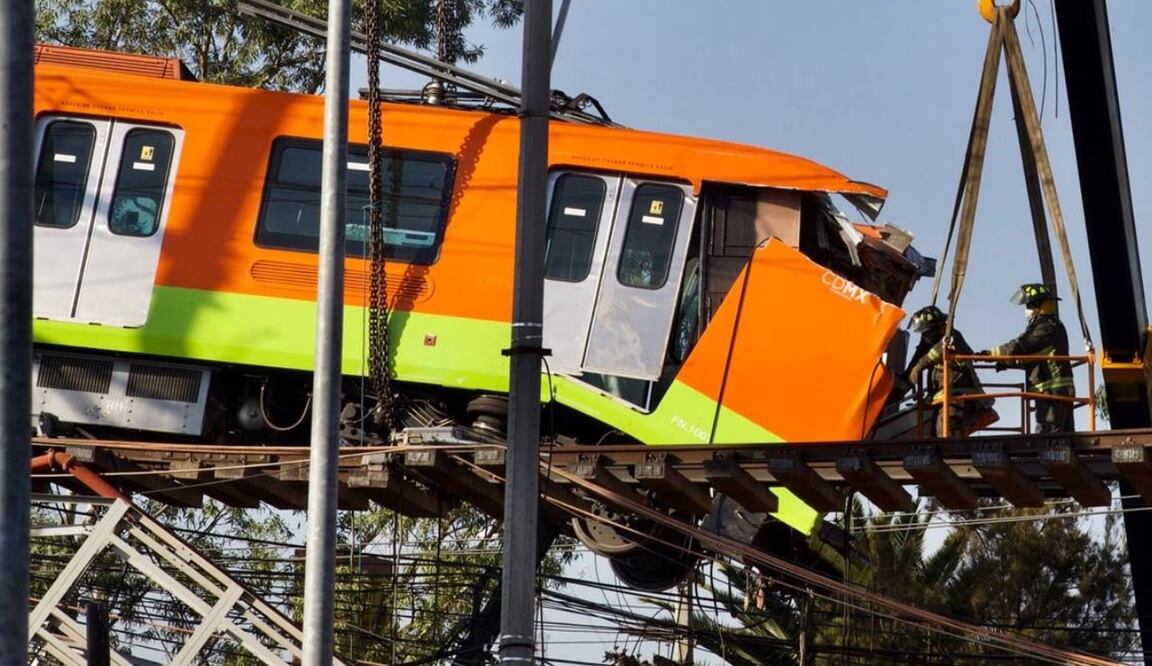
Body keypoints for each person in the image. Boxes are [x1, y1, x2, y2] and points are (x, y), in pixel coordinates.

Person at [981, 283, 1076, 434]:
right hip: (1056, 392)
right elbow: (1034, 357)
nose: (1026, 311)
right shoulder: (1051, 325)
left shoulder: (1045, 328)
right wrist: (1007, 363)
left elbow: (1019, 347)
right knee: (1063, 438)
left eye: (1029, 306)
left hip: (1052, 392)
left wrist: (990, 354)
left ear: (1039, 307)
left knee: (1048, 439)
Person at [904, 305, 997, 438]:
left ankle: (953, 455)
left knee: (947, 428)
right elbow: (918, 357)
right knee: (936, 433)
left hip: (959, 393)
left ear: (936, 328)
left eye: (926, 332)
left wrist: (920, 366)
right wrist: (903, 382)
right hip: (945, 395)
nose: (924, 336)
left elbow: (938, 350)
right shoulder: (931, 341)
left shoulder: (952, 337)